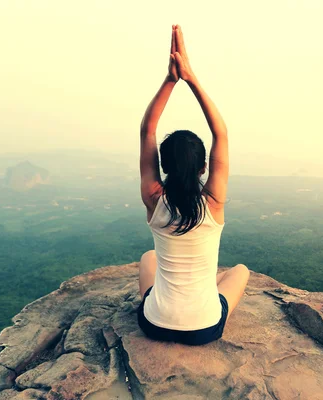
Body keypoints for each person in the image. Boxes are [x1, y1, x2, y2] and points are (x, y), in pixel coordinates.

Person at [137, 24, 250, 345]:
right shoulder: (213, 202)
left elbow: (148, 130)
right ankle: (200, 298)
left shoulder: (153, 198)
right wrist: (191, 78)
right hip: (204, 329)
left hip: (154, 325)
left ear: (163, 166)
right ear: (204, 166)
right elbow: (221, 134)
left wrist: (170, 80)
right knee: (239, 270)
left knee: (148, 258)